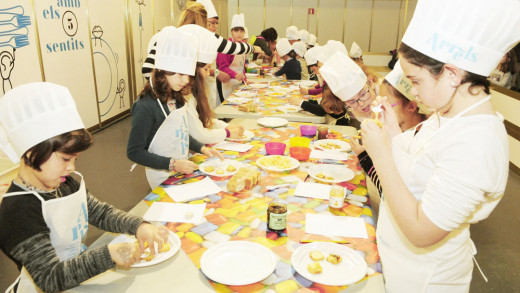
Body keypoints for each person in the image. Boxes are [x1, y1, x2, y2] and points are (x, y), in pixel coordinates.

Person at [360, 0, 518, 291]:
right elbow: (414, 164)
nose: (413, 92)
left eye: (416, 82)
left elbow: (422, 231)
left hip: (425, 279)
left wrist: (380, 155)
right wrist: (392, 129)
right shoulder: (447, 114)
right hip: (399, 262)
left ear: (452, 74)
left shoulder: (477, 143)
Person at [0, 82, 169, 292]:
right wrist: (110, 255)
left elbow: (99, 213)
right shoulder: (17, 210)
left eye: (75, 159)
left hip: (77, 279)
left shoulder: (63, 182)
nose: (71, 168)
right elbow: (49, 278)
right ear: (32, 153)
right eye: (65, 159)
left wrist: (139, 226)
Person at [128, 26, 221, 189]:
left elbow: (180, 134)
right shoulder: (146, 105)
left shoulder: (177, 95)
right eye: (180, 74)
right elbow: (134, 151)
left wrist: (201, 148)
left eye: (188, 75)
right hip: (162, 176)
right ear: (163, 71)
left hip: (181, 168)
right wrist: (172, 164)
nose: (185, 80)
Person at [141, 2, 260, 109]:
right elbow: (234, 48)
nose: (212, 27)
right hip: (179, 96)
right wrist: (168, 88)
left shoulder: (176, 36)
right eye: (209, 23)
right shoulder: (201, 37)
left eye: (215, 23)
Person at [350, 61, 430, 217]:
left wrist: (367, 158)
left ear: (412, 106)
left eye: (387, 105)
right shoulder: (401, 132)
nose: (380, 110)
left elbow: (388, 190)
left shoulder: (420, 144)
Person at [179, 24, 245, 144]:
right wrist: (228, 132)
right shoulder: (185, 97)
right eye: (205, 69)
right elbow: (200, 134)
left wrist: (227, 127)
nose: (207, 74)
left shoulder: (195, 93)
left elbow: (206, 120)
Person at [216, 13, 247, 99]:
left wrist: (245, 80)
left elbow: (242, 66)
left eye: (241, 31)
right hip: (228, 84)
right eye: (236, 31)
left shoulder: (243, 47)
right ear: (231, 32)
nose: (239, 34)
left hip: (239, 84)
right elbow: (222, 67)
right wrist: (235, 75)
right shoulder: (226, 47)